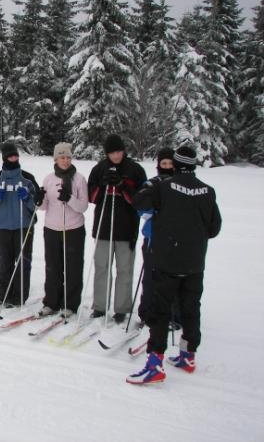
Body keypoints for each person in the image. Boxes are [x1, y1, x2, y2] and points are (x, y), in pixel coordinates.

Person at [127, 146, 221, 385]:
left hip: (167, 260)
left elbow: (139, 202)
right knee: (190, 309)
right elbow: (214, 228)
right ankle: (188, 355)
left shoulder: (164, 186)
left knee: (160, 311)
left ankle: (154, 364)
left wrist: (153, 189)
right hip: (194, 262)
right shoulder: (207, 191)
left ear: (176, 165)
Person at [87, 134, 147, 323]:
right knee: (102, 267)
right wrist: (102, 185)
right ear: (107, 153)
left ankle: (121, 308)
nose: (116, 155)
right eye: (112, 152)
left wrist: (122, 186)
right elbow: (91, 197)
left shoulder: (135, 170)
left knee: (124, 269)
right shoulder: (99, 169)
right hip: (104, 227)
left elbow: (140, 200)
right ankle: (99, 306)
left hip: (126, 229)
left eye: (119, 151)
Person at [0, 143, 40, 307]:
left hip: (24, 226)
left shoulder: (27, 178)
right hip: (2, 227)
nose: (13, 158)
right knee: (5, 262)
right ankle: (4, 294)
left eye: (15, 156)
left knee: (23, 262)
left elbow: (37, 204)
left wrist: (27, 198)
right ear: (4, 158)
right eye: (10, 156)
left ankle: (19, 296)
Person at [37, 142, 88, 316]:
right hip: (51, 228)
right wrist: (38, 200)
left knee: (73, 267)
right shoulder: (49, 179)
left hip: (74, 229)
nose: (65, 161)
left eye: (68, 157)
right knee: (53, 267)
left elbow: (83, 206)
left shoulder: (79, 179)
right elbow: (44, 206)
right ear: (56, 159)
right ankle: (51, 302)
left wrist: (70, 198)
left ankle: (70, 304)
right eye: (62, 157)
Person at [137, 148, 179, 324]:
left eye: (170, 163)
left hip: (174, 240)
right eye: (164, 163)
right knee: (150, 278)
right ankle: (147, 312)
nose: (167, 166)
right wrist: (154, 209)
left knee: (171, 279)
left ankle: (172, 314)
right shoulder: (151, 183)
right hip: (152, 237)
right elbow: (141, 211)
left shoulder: (180, 185)